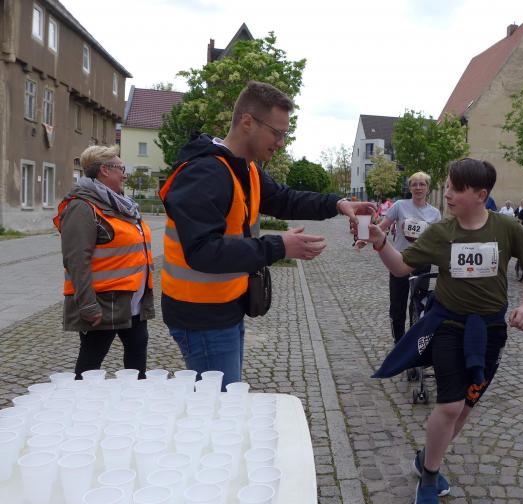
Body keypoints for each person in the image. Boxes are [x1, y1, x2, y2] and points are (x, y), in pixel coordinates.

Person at [356, 158, 523, 504]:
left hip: (490, 332)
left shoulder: (506, 228)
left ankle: (427, 457)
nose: (448, 194)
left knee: (466, 407)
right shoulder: (442, 232)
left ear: (481, 195)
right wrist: (380, 242)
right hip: (448, 325)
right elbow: (401, 266)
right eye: (447, 187)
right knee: (450, 405)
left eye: (456, 189)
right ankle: (429, 477)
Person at [160, 81, 373, 388]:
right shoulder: (205, 172)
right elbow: (203, 251)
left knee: (223, 399)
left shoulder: (245, 169)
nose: (281, 142)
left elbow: (285, 199)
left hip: (224, 307)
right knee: (219, 404)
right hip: (201, 315)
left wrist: (338, 204)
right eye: (277, 132)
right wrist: (279, 246)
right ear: (247, 122)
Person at [53, 145, 154, 379]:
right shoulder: (82, 206)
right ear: (105, 170)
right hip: (102, 303)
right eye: (121, 169)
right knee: (90, 363)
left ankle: (134, 399)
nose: (125, 175)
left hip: (133, 302)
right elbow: (76, 261)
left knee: (137, 360)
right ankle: (81, 401)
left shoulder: (121, 205)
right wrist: (87, 305)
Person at [378, 172, 441, 343]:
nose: (418, 188)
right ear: (410, 187)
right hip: (399, 260)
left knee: (418, 304)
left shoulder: (435, 213)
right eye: (414, 184)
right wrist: (366, 238)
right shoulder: (400, 206)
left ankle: (413, 342)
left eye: (422, 184)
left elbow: (437, 239)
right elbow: (382, 227)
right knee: (397, 304)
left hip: (422, 263)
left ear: (428, 188)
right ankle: (398, 340)